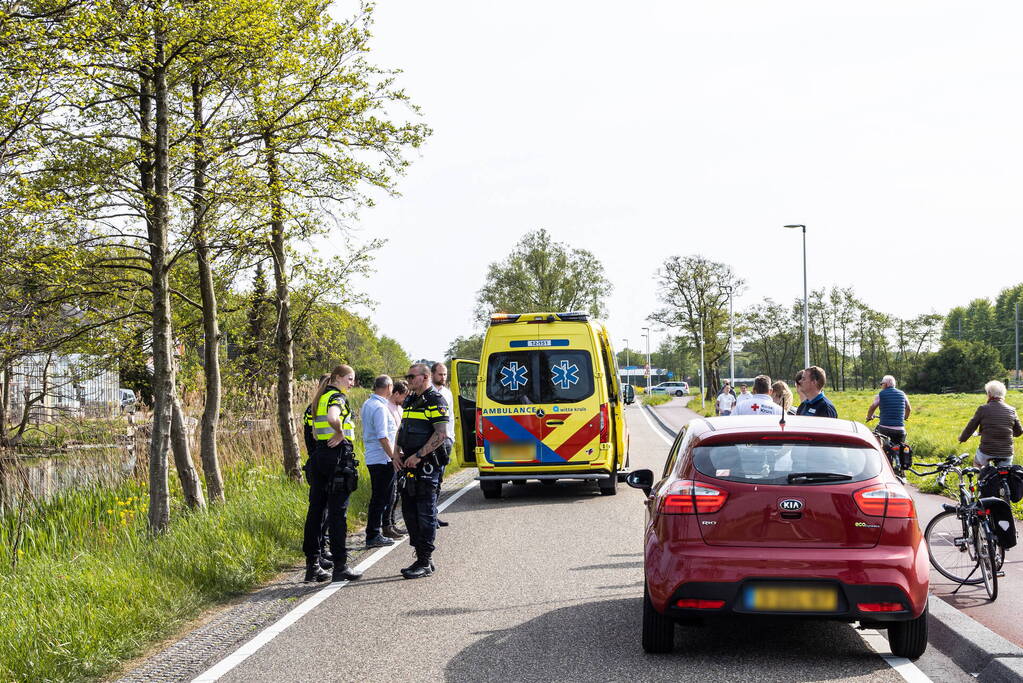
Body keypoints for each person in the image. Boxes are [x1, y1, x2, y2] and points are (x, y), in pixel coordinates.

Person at [302, 365, 363, 583]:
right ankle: (340, 566)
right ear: (337, 378)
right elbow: (333, 417)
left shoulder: (318, 399)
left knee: (316, 512)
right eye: (349, 378)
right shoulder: (337, 397)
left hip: (319, 457)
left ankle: (313, 565)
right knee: (338, 514)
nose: (352, 383)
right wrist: (339, 432)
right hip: (336, 459)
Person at [395, 363, 450, 579]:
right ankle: (421, 556)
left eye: (411, 376)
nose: (408, 380)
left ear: (425, 377)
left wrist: (418, 456)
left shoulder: (435, 400)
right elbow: (403, 427)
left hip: (426, 466)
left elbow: (441, 434)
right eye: (407, 376)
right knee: (409, 514)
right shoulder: (409, 399)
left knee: (425, 514)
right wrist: (396, 451)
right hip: (407, 466)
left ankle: (424, 561)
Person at [361, 375, 400, 548]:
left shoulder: (369, 403)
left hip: (375, 456)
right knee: (381, 497)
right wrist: (393, 457)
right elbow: (383, 436)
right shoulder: (379, 408)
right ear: (389, 387)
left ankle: (375, 532)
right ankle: (373, 534)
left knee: (380, 497)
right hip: (382, 458)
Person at [302, 375, 332, 572]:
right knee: (319, 513)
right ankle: (316, 554)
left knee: (322, 512)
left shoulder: (314, 407)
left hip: (318, 463)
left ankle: (320, 551)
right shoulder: (317, 408)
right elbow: (312, 438)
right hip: (321, 464)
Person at [958, 380, 1023, 467]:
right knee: (1005, 474)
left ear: (989, 394)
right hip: (1006, 453)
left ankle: (981, 480)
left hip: (986, 451)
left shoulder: (983, 409)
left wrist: (962, 438)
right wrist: (1007, 433)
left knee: (977, 463)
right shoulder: (1012, 410)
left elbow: (971, 427)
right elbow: (1019, 431)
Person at [382, 380, 409, 539]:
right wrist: (393, 455)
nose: (404, 400)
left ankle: (392, 523)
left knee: (397, 492)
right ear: (397, 393)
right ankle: (387, 524)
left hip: (400, 453)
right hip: (391, 455)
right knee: (390, 493)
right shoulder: (386, 408)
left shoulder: (399, 408)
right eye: (403, 396)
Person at [431, 362, 455, 528]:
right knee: (431, 481)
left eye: (445, 374)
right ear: (432, 374)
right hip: (432, 442)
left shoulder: (447, 393)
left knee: (439, 480)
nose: (443, 377)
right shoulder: (427, 392)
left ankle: (434, 514)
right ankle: (429, 516)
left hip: (446, 441)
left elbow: (451, 416)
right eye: (440, 374)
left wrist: (451, 438)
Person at [866, 375, 912, 446]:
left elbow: (872, 407)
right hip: (900, 430)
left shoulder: (881, 394)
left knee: (882, 448)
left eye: (882, 384)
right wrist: (905, 417)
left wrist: (869, 417)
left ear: (886, 384)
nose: (881, 386)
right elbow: (908, 408)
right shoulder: (902, 394)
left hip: (885, 429)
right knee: (900, 448)